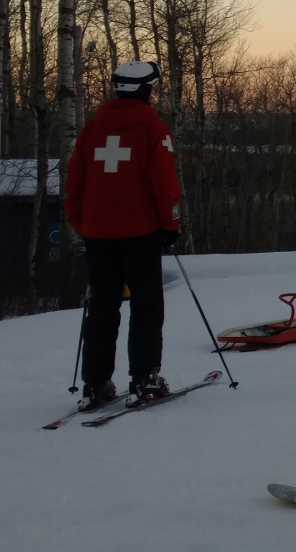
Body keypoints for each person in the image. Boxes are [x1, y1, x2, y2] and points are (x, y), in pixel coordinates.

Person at [63, 61, 184, 410]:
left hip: (97, 234)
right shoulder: (152, 128)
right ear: (146, 90)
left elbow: (74, 183)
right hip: (141, 232)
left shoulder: (92, 129)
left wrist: (82, 223)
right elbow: (164, 182)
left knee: (101, 306)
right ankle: (144, 379)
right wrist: (171, 224)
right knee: (146, 305)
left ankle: (95, 383)